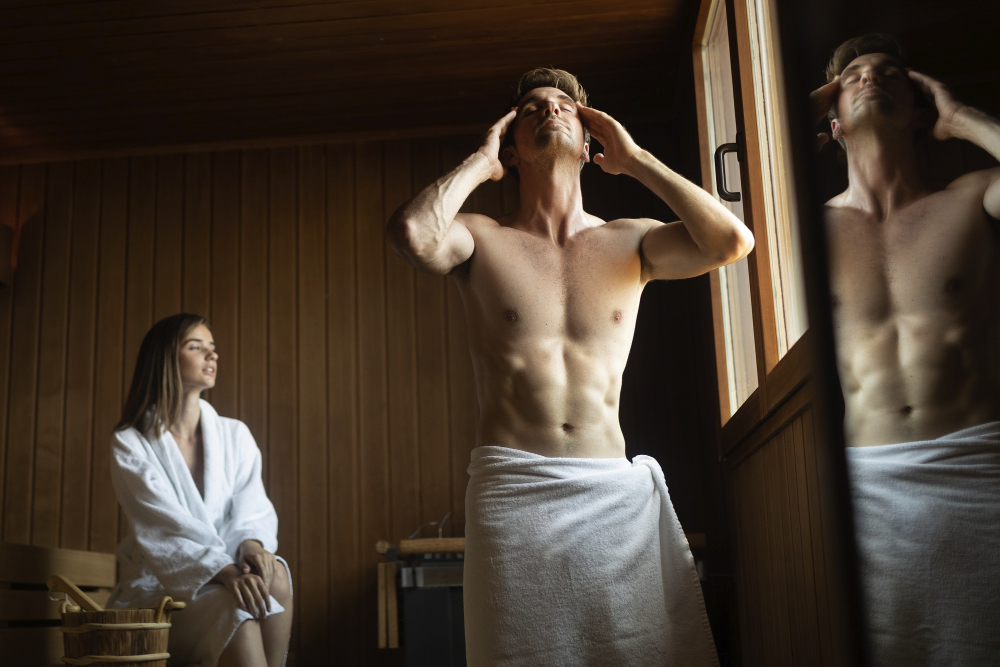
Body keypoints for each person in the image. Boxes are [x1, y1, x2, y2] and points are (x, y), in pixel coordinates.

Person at [386, 68, 752, 667]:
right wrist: (481, 162)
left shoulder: (631, 241)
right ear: (511, 146)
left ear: (588, 143)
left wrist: (634, 160)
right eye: (532, 108)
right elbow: (413, 234)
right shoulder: (481, 239)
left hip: (610, 492)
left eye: (564, 106)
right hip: (514, 492)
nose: (550, 111)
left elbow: (730, 242)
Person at [812, 34, 1000, 665]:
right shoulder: (808, 229)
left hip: (978, 467)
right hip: (866, 483)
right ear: (832, 122)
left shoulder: (971, 198)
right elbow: (730, 229)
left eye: (890, 73)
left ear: (920, 110)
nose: (871, 78)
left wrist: (962, 118)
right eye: (854, 77)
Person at [107, 313, 293, 667]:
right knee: (233, 610)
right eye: (196, 347)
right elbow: (163, 530)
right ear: (166, 358)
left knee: (277, 576)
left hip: (229, 574)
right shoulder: (130, 443)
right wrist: (223, 572)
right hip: (163, 591)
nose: (212, 355)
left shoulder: (234, 435)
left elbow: (251, 506)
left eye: (213, 347)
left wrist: (252, 547)